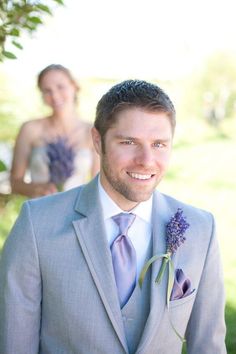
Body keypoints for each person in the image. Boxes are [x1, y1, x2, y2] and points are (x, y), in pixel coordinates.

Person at [0, 80, 226, 353]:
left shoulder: (201, 229)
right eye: (129, 142)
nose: (146, 160)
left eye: (159, 144)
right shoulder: (36, 224)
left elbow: (209, 345)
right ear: (98, 141)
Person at [10, 64, 99, 198]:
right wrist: (36, 189)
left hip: (76, 212)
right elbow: (15, 183)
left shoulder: (93, 132)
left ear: (74, 87)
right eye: (47, 90)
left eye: (60, 87)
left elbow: (99, 187)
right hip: (40, 210)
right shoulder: (30, 129)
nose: (55, 95)